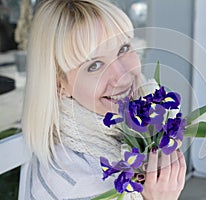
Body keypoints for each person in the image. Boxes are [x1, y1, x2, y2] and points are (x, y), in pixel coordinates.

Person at [22, 0, 186, 199]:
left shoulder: (120, 129)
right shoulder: (78, 180)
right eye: (95, 66)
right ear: (59, 85)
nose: (123, 76)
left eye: (123, 49)